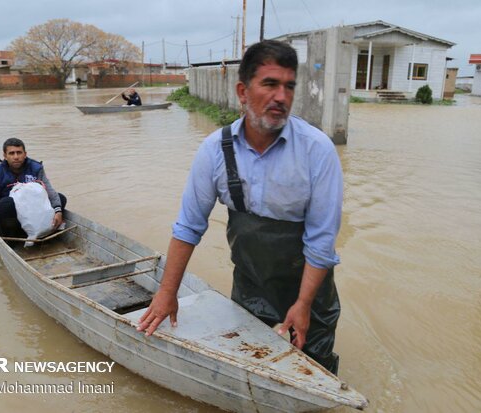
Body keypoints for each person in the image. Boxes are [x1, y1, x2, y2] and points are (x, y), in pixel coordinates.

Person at [137, 40, 343, 374]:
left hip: (310, 293)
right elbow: (189, 227)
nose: (281, 97)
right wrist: (167, 293)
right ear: (242, 91)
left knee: (313, 371)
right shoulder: (214, 152)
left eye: (289, 86)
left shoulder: (317, 151)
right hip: (251, 289)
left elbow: (321, 242)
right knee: (252, 368)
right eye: (270, 84)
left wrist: (303, 305)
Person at [0, 138, 67, 237]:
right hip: (12, 214)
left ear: (25, 154)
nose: (16, 157)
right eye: (11, 153)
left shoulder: (36, 168)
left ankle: (47, 230)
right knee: (5, 203)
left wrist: (58, 211)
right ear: (5, 156)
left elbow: (49, 190)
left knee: (60, 198)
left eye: (19, 153)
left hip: (34, 211)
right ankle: (12, 237)